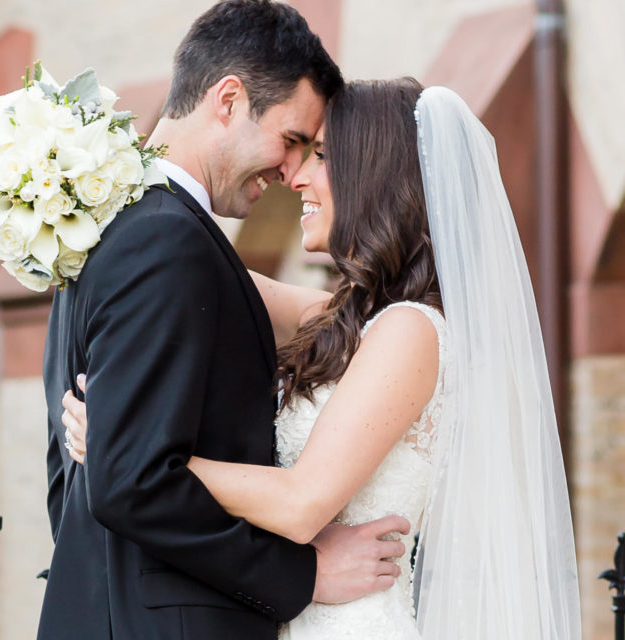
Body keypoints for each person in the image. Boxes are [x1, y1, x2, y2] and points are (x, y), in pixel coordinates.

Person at [62, 78, 582, 638]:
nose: (297, 176)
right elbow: (195, 262)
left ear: (376, 176)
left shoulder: (411, 331)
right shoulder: (353, 321)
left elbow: (301, 502)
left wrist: (124, 449)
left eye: (324, 157)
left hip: (351, 619)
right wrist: (84, 195)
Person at [39, 2, 411, 639]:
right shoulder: (166, 242)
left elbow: (79, 480)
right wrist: (302, 576)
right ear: (229, 100)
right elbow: (127, 481)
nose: (290, 170)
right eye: (293, 141)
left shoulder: (115, 229)